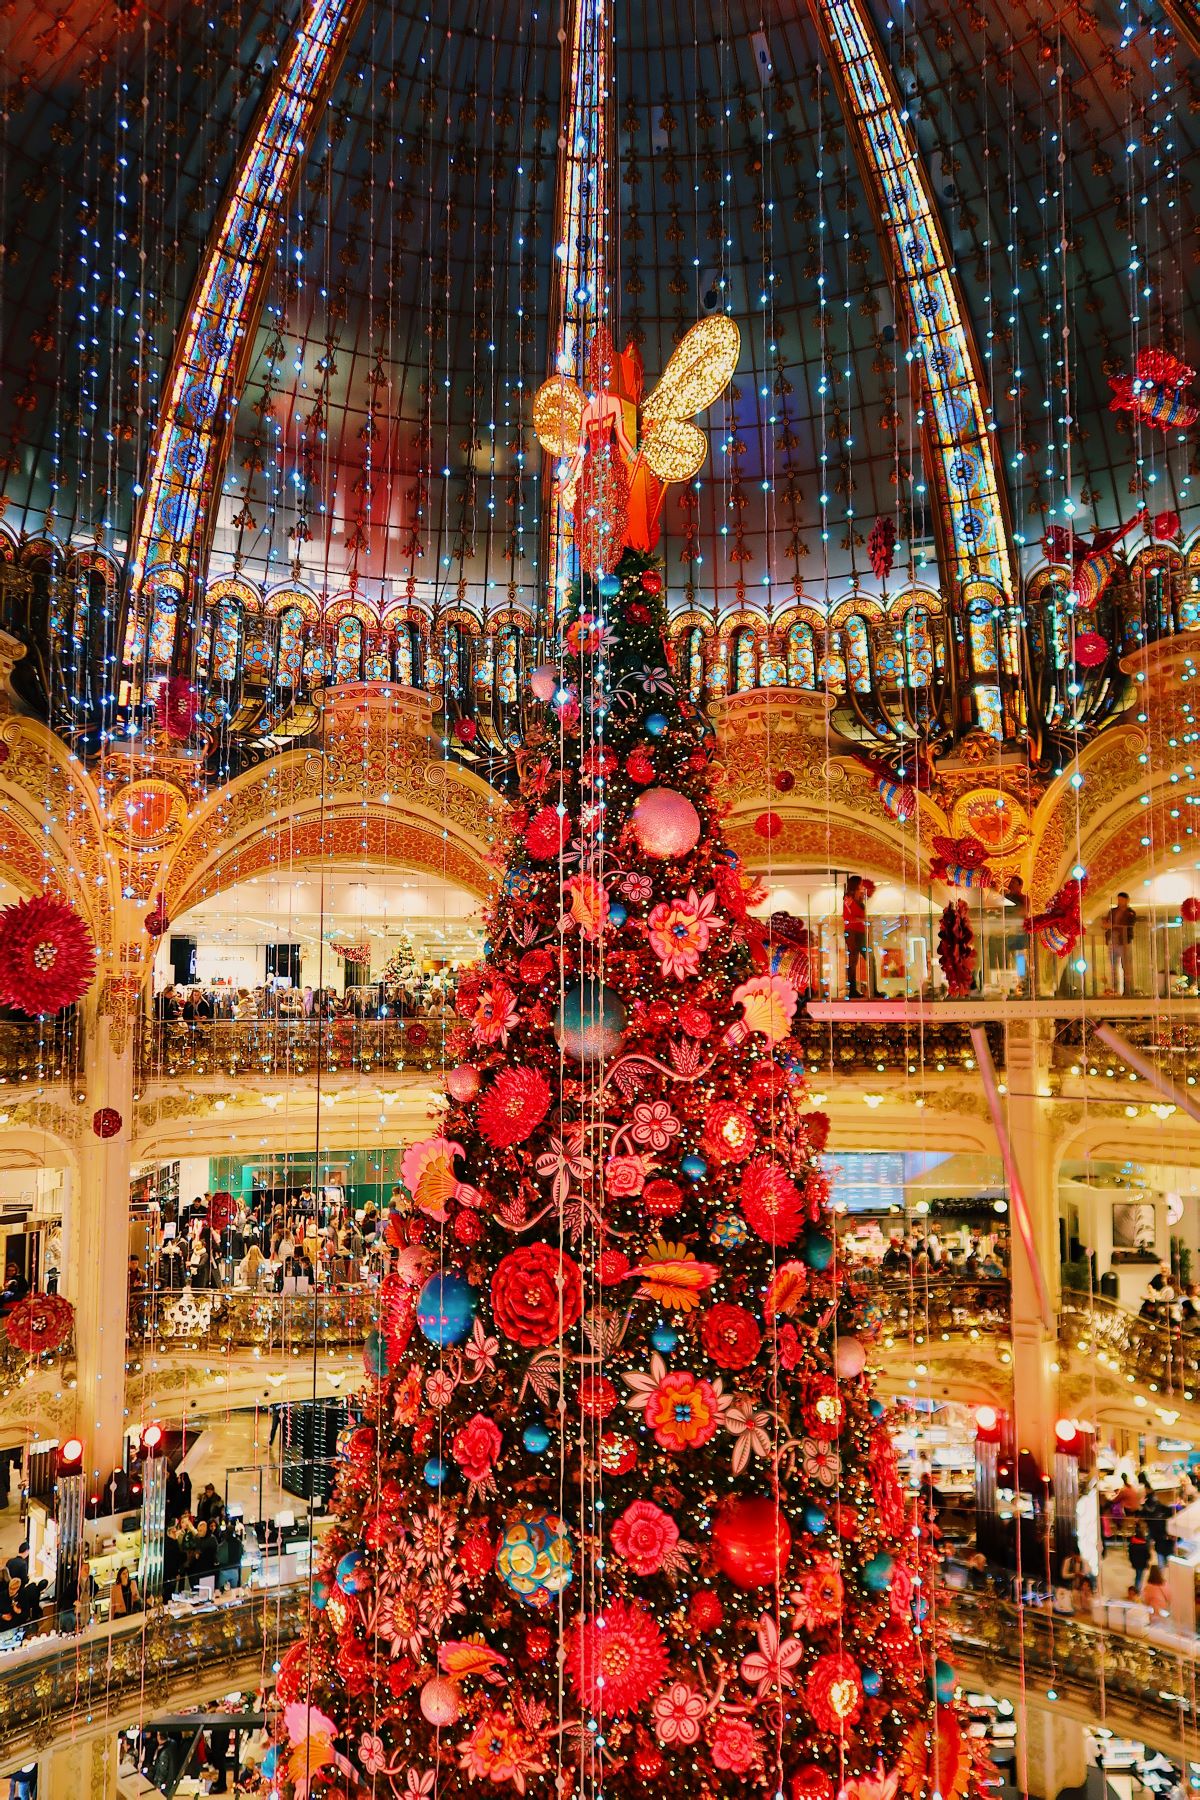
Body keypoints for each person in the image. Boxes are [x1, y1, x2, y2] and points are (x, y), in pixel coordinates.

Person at [1105, 891, 1138, 996]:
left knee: (1126, 966)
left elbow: (1128, 924)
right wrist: (1110, 926)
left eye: (1122, 900)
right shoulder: (1113, 911)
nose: (1120, 902)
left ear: (1127, 900)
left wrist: (1114, 925)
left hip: (1124, 941)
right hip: (1113, 940)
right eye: (1118, 900)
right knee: (1113, 966)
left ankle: (1127, 990)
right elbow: (1107, 923)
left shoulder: (1130, 913)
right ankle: (1115, 989)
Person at [843, 874, 869, 1000]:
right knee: (853, 960)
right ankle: (852, 990)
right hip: (852, 932)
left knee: (868, 959)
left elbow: (858, 916)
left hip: (860, 932)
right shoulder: (848, 898)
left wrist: (860, 919)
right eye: (860, 884)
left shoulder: (860, 899)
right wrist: (861, 919)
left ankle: (870, 989)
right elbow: (849, 917)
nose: (862, 886)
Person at [1126, 1519, 1151, 1592]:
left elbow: (1130, 1554)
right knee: (1139, 1577)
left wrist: (1132, 1561)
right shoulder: (1145, 1545)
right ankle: (1137, 1591)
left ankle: (1136, 1589)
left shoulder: (1132, 1544)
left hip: (1135, 1563)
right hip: (1142, 1563)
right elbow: (1148, 1556)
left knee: (1137, 1576)